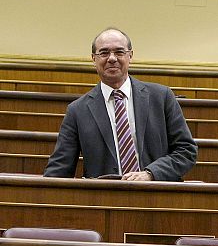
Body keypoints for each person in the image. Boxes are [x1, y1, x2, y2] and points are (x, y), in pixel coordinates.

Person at [44, 28, 197, 181]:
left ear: (130, 56)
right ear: (93, 59)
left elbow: (186, 151)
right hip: (103, 199)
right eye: (104, 53)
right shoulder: (77, 110)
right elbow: (60, 168)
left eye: (119, 52)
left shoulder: (161, 97)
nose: (112, 58)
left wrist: (151, 174)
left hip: (156, 196)